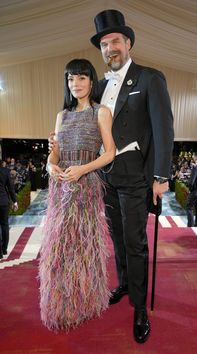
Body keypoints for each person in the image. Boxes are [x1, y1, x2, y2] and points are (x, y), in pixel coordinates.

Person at [90, 9, 174, 343]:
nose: (109, 48)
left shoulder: (151, 78)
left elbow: (163, 130)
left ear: (128, 43)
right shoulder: (97, 85)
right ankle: (124, 284)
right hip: (105, 177)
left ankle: (140, 308)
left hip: (136, 176)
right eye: (104, 43)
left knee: (136, 243)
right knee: (117, 238)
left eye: (114, 41)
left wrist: (161, 176)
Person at [39, 58, 115, 331]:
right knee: (59, 249)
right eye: (71, 79)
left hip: (85, 188)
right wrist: (50, 165)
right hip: (60, 189)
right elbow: (56, 151)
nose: (76, 84)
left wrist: (83, 169)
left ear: (91, 81)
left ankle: (85, 302)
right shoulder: (63, 115)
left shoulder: (101, 112)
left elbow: (109, 152)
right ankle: (62, 303)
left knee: (83, 247)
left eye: (81, 78)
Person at [0, 160, 18, 258]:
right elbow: (11, 188)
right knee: (5, 225)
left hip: (3, 201)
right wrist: (15, 201)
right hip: (3, 202)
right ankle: (4, 249)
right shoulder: (6, 171)